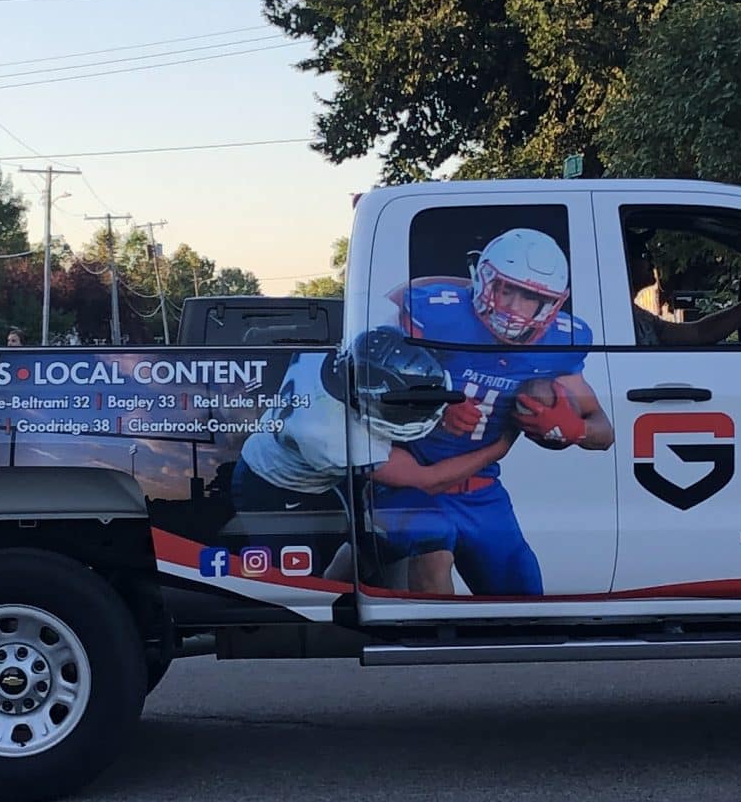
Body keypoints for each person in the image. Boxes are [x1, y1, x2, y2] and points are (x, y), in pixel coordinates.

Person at [368, 228, 615, 596]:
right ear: (484, 280)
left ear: (551, 304)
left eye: (530, 297)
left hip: (481, 491)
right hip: (407, 482)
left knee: (524, 593)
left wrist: (575, 429)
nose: (515, 307)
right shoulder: (434, 314)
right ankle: (437, 637)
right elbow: (370, 379)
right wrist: (432, 402)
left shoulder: (558, 345)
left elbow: (604, 431)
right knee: (433, 555)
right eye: (506, 289)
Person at [230, 329, 500, 581]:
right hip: (272, 485)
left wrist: (439, 396)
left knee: (369, 543)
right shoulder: (330, 436)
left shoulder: (342, 351)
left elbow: (393, 350)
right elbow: (428, 479)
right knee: (299, 583)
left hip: (302, 459)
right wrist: (500, 446)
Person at [627, 233, 741, 348]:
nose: (651, 262)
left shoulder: (638, 318)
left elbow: (699, 333)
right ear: (625, 261)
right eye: (643, 255)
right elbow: (700, 333)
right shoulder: (621, 321)